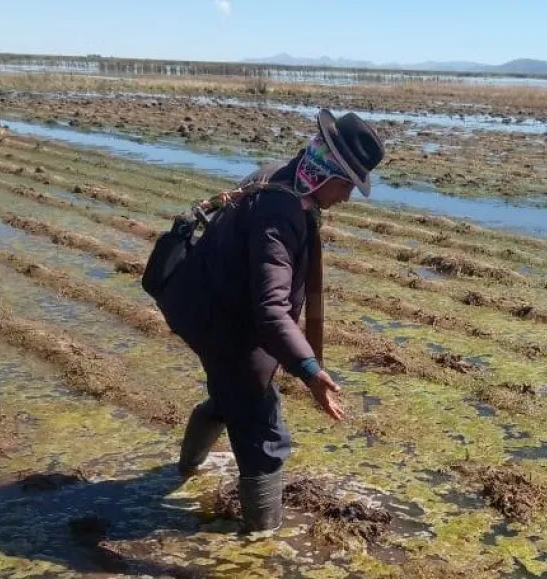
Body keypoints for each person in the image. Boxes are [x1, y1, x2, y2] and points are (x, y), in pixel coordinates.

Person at [158, 109, 385, 532]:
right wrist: (311, 371)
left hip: (208, 302)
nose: (348, 197)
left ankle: (187, 468)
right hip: (226, 322)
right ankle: (262, 538)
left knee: (230, 399)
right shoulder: (280, 216)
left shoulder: (282, 174)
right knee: (264, 433)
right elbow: (270, 310)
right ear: (326, 171)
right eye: (348, 183)